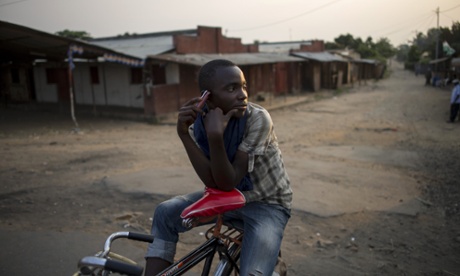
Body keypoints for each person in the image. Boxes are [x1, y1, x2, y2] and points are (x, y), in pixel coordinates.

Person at [144, 59, 292, 275]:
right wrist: (184, 134)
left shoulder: (258, 119)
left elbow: (227, 182)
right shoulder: (199, 125)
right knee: (165, 212)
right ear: (208, 98)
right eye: (231, 88)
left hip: (267, 204)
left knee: (254, 272)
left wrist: (216, 137)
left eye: (243, 86)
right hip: (227, 198)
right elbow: (213, 183)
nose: (242, 94)